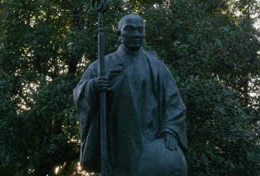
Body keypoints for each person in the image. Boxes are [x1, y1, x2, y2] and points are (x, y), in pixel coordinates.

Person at [73, 14, 187, 176]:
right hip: (117, 139)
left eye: (141, 30)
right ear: (119, 34)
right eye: (130, 30)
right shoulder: (101, 66)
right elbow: (79, 94)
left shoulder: (157, 67)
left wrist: (170, 130)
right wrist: (93, 86)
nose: (136, 34)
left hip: (150, 140)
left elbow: (174, 102)